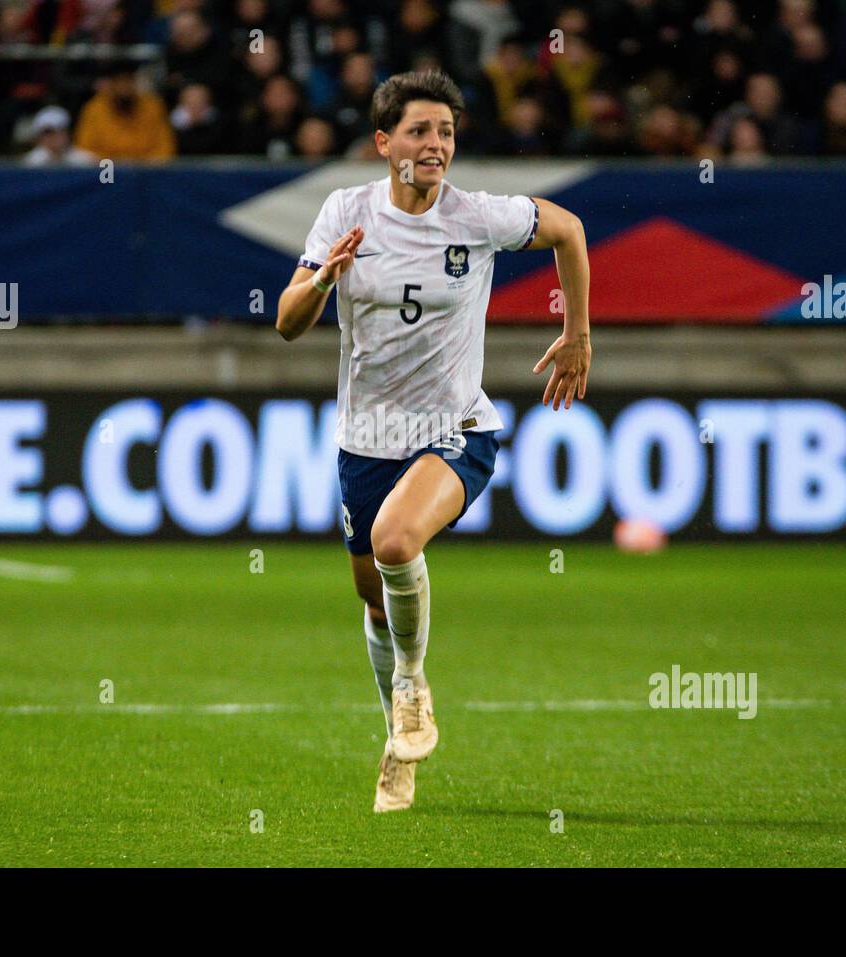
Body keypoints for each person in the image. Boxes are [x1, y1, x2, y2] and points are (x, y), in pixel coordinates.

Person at [274, 70, 591, 813]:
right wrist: (325, 279)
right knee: (375, 601)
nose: (436, 145)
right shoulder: (344, 211)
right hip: (366, 441)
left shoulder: (478, 217)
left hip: (455, 432)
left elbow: (570, 230)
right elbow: (288, 322)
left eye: (446, 132)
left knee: (394, 542)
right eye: (420, 131)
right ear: (385, 143)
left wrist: (577, 332)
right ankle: (398, 738)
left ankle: (413, 690)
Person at [24, 104, 94, 164]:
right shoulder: (30, 163)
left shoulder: (87, 161)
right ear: (39, 136)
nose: (54, 137)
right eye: (48, 133)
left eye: (59, 132)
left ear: (67, 133)